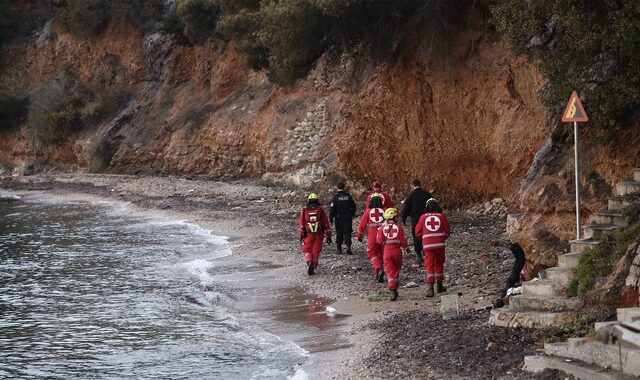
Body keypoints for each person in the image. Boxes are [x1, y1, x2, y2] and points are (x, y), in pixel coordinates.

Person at [414, 198, 451, 297]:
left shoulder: (423, 217)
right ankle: (439, 286)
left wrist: (424, 238)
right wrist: (441, 238)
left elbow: (417, 232)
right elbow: (447, 232)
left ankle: (430, 288)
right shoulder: (441, 216)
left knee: (429, 265)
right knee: (439, 264)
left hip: (427, 245)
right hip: (439, 245)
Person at [376, 208, 411, 301]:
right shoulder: (398, 227)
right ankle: (395, 287)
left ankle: (392, 290)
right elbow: (403, 240)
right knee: (396, 270)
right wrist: (407, 249)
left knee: (389, 271)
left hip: (387, 252)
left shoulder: (382, 227)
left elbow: (379, 241)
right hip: (397, 251)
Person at [401, 179, 433, 265]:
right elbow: (432, 203)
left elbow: (406, 207)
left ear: (412, 185)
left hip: (416, 218)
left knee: (416, 235)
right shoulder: (427, 194)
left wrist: (403, 218)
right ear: (420, 184)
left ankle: (419, 255)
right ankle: (426, 251)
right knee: (426, 234)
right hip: (426, 217)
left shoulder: (411, 196)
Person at [299, 193, 332, 275]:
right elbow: (326, 223)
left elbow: (302, 223)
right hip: (319, 233)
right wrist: (329, 236)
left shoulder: (305, 210)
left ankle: (309, 260)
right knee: (316, 250)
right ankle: (313, 266)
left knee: (307, 249)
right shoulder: (320, 210)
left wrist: (301, 235)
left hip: (308, 233)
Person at [357, 193, 386, 283]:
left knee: (372, 254)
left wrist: (360, 236)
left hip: (372, 238)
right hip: (383, 237)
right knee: (382, 255)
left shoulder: (368, 212)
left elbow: (362, 226)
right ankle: (380, 272)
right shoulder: (385, 211)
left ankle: (378, 268)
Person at [493, 242, 527, 308]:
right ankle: (515, 248)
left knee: (519, 262)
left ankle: (515, 248)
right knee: (519, 262)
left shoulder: (506, 296)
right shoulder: (506, 295)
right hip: (514, 276)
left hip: (514, 277)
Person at [329, 181, 357, 255]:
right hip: (348, 217)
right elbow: (354, 206)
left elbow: (332, 209)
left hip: (339, 218)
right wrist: (352, 214)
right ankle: (348, 248)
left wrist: (331, 219)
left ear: (337, 187)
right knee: (347, 232)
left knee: (339, 232)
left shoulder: (335, 197)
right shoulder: (348, 196)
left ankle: (339, 249)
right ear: (344, 187)